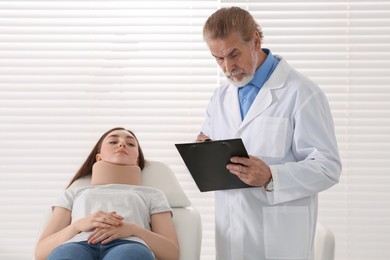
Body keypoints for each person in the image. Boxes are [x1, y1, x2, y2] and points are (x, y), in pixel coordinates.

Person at [196, 7, 342, 260]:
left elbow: (328, 167)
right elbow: (213, 146)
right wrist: (204, 149)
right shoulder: (220, 97)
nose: (228, 67)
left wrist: (271, 176)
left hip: (280, 238)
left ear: (255, 41)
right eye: (218, 58)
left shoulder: (302, 93)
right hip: (230, 233)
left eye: (233, 54)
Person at [35, 127, 179, 260]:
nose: (122, 144)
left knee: (130, 255)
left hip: (129, 245)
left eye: (130, 144)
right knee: (66, 255)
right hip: (77, 245)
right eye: (113, 141)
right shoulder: (73, 193)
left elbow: (172, 253)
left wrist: (133, 230)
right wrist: (78, 226)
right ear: (99, 158)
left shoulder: (153, 195)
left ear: (137, 161)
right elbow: (41, 252)